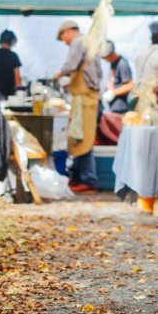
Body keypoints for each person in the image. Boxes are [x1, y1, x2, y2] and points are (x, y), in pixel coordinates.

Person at [54, 20, 101, 193]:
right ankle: (80, 177)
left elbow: (70, 65)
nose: (65, 42)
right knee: (79, 137)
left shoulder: (78, 42)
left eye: (63, 38)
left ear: (67, 32)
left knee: (83, 139)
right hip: (85, 98)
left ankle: (88, 179)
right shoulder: (88, 43)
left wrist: (58, 74)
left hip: (85, 99)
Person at [101, 40, 134, 114]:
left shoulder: (122, 64)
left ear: (111, 54)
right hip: (113, 106)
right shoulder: (113, 63)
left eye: (105, 57)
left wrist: (113, 93)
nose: (105, 60)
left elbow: (130, 85)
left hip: (121, 108)